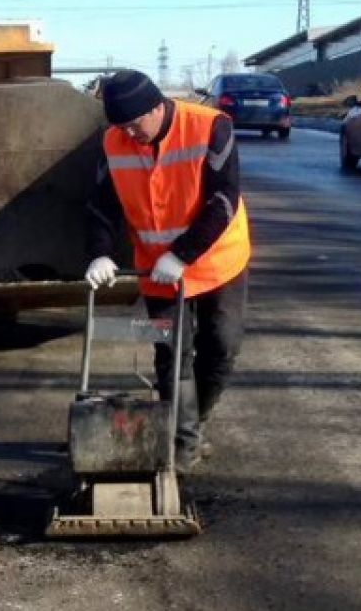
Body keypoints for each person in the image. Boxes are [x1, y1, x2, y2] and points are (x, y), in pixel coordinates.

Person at [83, 70, 251, 471]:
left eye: (135, 123)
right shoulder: (114, 142)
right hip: (155, 269)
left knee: (221, 346)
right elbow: (102, 206)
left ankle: (195, 419)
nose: (130, 133)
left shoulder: (211, 127)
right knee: (173, 352)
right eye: (121, 125)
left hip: (216, 258)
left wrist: (182, 255)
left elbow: (224, 199)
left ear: (157, 107)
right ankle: (183, 444)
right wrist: (101, 253)